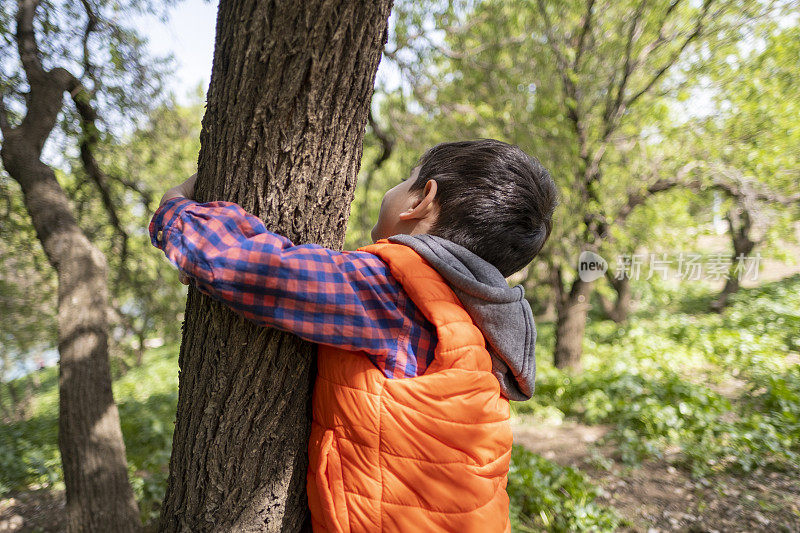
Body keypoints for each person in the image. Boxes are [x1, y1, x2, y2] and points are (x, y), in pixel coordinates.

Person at [149, 138, 558, 532]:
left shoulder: (393, 291)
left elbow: (262, 272)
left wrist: (176, 214)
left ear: (421, 199)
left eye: (407, 177)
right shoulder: (478, 318)